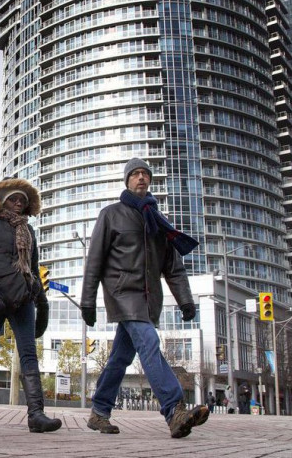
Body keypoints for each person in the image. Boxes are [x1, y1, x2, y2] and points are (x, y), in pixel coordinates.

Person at [79, 158, 208, 438]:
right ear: (126, 180)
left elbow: (173, 267)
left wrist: (185, 300)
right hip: (122, 293)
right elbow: (95, 261)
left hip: (150, 299)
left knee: (120, 358)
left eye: (145, 174)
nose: (141, 178)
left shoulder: (158, 221)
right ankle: (174, 410)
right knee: (149, 343)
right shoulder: (111, 214)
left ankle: (99, 411)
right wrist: (87, 301)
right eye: (135, 174)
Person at [0, 177, 61, 433]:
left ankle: (36, 415)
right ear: (2, 200)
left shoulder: (29, 232)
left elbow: (33, 269)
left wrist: (42, 301)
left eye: (23, 200)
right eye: (14, 198)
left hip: (22, 298)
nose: (18, 203)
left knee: (29, 354)